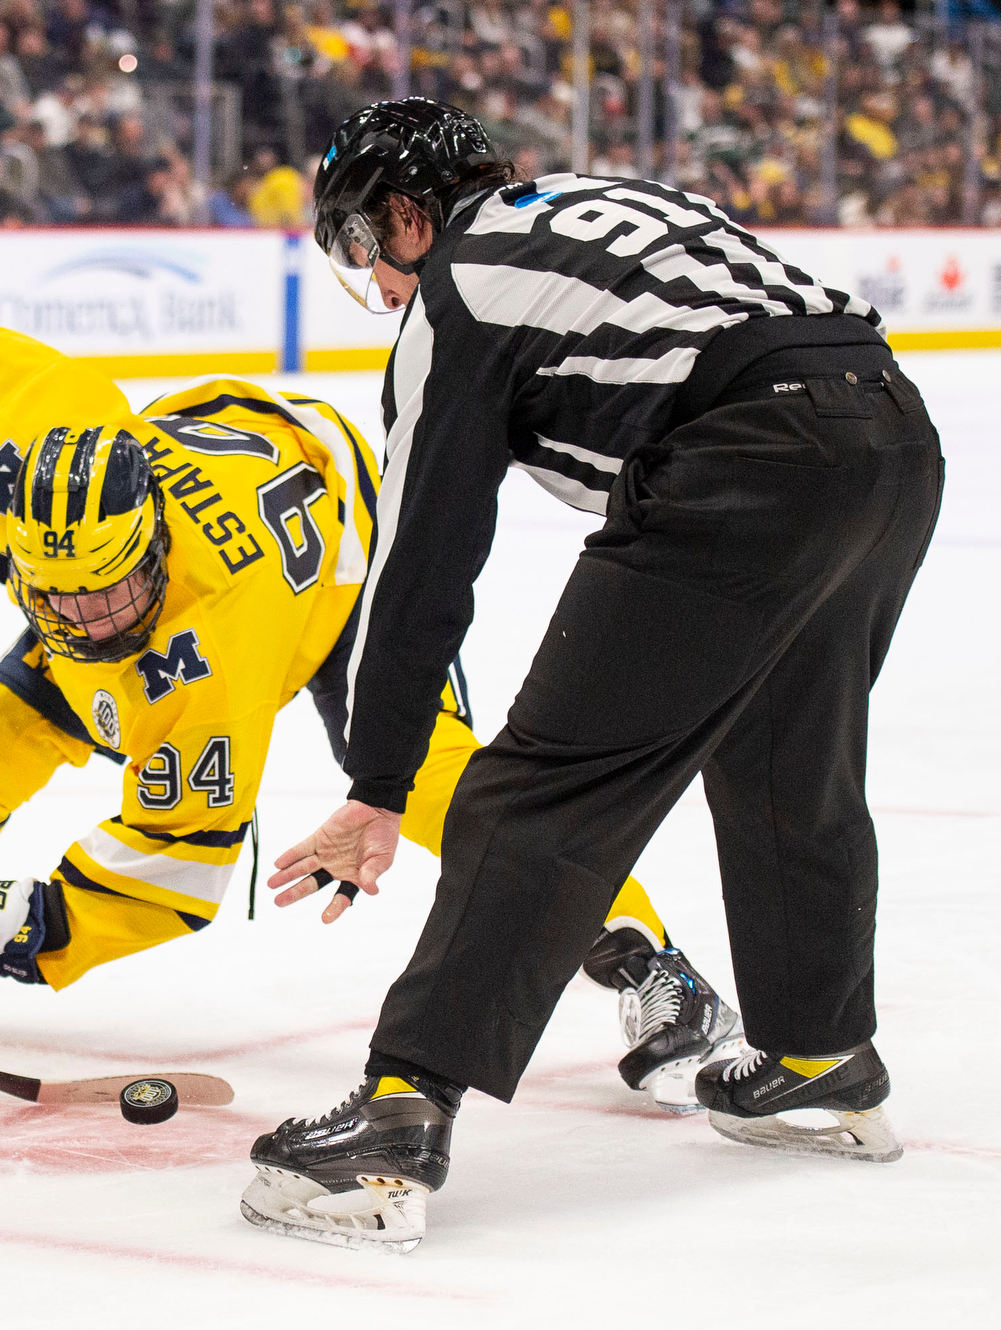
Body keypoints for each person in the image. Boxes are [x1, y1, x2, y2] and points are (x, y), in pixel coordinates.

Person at [0, 308, 741, 1118]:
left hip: (347, 571)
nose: (88, 625)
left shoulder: (210, 646)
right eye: (60, 599)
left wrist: (24, 926)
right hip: (239, 445)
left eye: (106, 596)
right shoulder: (28, 443)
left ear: (150, 547)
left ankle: (654, 969)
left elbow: (175, 866)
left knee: (444, 789)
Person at [244, 98, 941, 1253]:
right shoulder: (602, 200)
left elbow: (422, 562)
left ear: (411, 215)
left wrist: (378, 783)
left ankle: (395, 1116)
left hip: (743, 459)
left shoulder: (457, 289)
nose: (370, 284)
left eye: (363, 245)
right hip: (890, 439)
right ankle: (817, 1060)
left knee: (534, 792)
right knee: (789, 759)